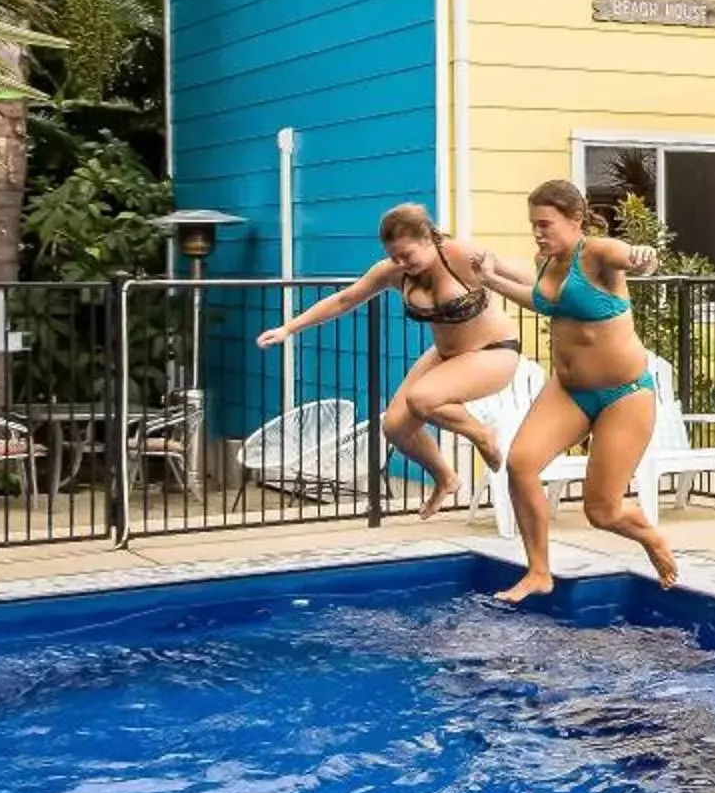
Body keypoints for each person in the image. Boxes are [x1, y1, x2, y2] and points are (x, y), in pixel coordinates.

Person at [466, 179, 679, 598]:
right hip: (568, 389)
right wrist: (490, 277)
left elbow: (635, 258)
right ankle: (539, 572)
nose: (538, 232)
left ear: (575, 220)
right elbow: (542, 300)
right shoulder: (547, 263)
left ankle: (652, 538)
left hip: (624, 394)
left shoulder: (597, 254)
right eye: (533, 225)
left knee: (601, 511)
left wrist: (643, 257)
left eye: (545, 224)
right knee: (521, 464)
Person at [255, 202, 519, 518]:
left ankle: (483, 435)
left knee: (422, 399)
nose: (400, 262)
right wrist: (288, 328)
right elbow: (344, 300)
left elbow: (524, 276)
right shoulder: (393, 271)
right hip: (446, 356)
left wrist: (563, 296)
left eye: (406, 255)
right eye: (394, 256)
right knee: (395, 427)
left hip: (494, 350)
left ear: (428, 238)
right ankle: (446, 478)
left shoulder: (462, 256)